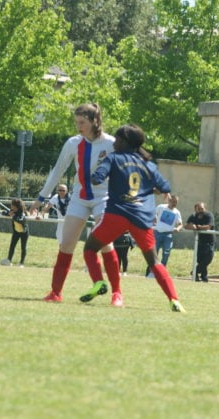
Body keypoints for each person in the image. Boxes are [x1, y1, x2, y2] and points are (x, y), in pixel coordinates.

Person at [81, 124, 185, 312]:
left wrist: (99, 169)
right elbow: (165, 186)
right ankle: (174, 299)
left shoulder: (113, 158)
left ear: (124, 142)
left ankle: (98, 282)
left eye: (117, 139)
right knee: (154, 261)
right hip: (142, 217)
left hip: (117, 214)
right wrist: (148, 189)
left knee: (90, 248)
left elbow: (97, 179)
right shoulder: (148, 164)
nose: (114, 142)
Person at [30, 103, 121, 303]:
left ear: (94, 121)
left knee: (104, 243)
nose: (78, 126)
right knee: (66, 243)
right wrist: (41, 198)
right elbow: (57, 171)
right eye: (76, 122)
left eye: (82, 122)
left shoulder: (111, 143)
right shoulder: (73, 143)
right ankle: (56, 293)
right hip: (79, 198)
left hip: (104, 198)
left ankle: (116, 294)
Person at [145, 194, 182, 278]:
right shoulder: (161, 207)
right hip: (158, 233)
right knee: (154, 253)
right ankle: (150, 272)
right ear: (169, 200)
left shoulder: (177, 212)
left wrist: (178, 228)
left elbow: (180, 224)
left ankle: (161, 273)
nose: (174, 203)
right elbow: (153, 214)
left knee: (166, 253)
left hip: (168, 235)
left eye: (176, 202)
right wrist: (154, 220)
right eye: (173, 201)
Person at [184, 202, 215, 282]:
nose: (200, 210)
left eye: (202, 208)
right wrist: (191, 226)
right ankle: (203, 278)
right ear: (196, 209)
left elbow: (209, 226)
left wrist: (197, 227)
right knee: (201, 260)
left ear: (205, 208)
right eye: (199, 209)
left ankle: (194, 272)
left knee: (208, 259)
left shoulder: (209, 215)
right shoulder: (194, 216)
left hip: (209, 241)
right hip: (199, 241)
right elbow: (186, 226)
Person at [0, 198, 29, 267]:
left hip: (23, 232)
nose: (11, 206)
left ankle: (21, 263)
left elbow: (20, 220)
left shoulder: (22, 213)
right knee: (12, 245)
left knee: (23, 247)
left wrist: (13, 216)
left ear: (16, 206)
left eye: (12, 205)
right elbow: (3, 212)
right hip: (16, 231)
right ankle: (9, 260)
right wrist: (8, 213)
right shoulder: (12, 211)